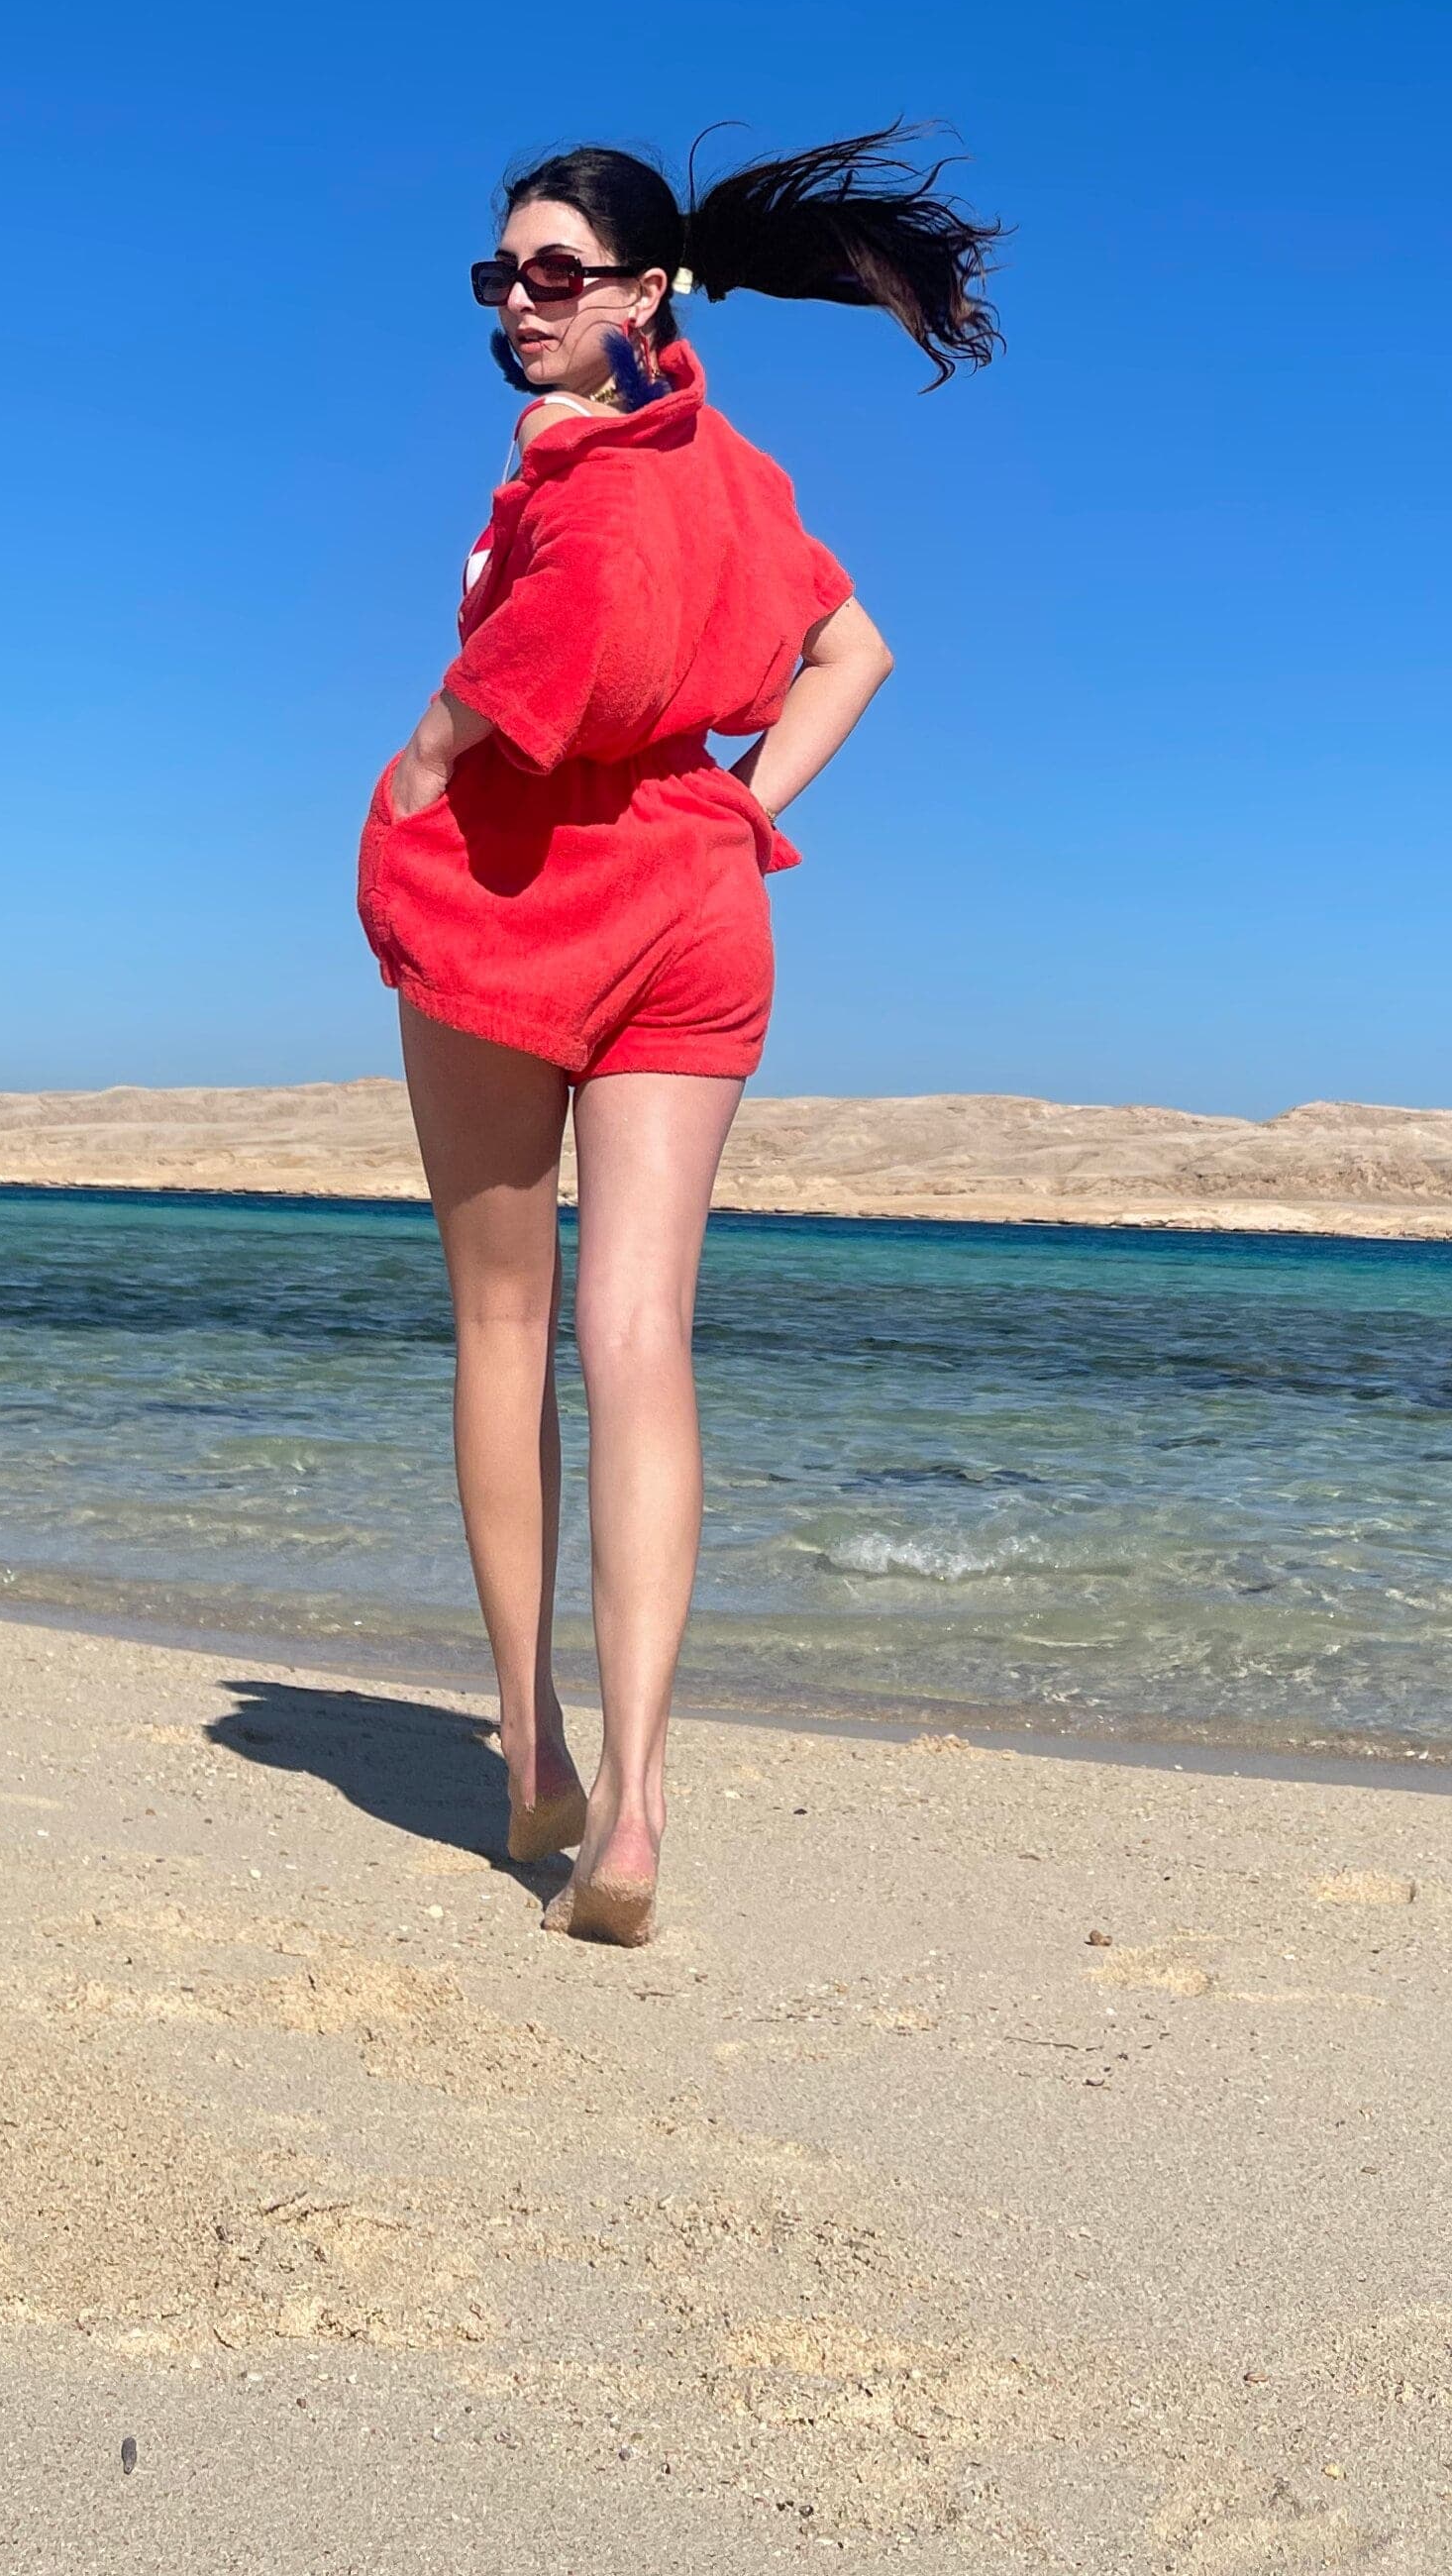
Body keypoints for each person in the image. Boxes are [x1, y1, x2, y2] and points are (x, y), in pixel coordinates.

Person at [360, 128, 1001, 1944]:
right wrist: (742, 809)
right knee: (641, 1337)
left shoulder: (585, 466)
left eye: (556, 273)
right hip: (699, 906)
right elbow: (855, 651)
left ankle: (532, 1753)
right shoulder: (740, 471)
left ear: (648, 289)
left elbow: (542, 665)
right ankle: (635, 1811)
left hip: (531, 900)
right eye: (501, 277)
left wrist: (421, 764)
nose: (519, 307)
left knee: (507, 1323)